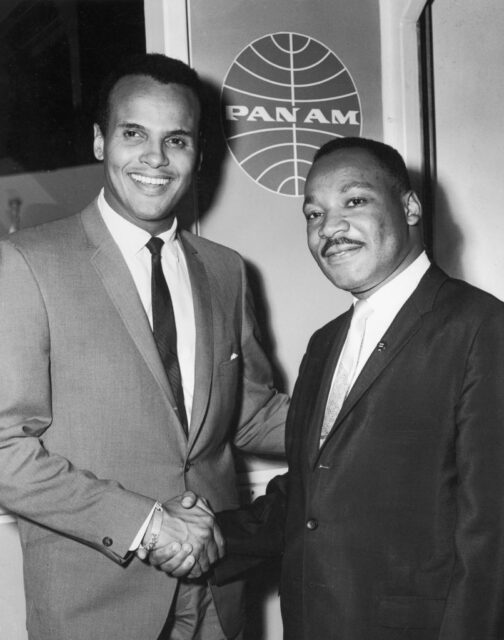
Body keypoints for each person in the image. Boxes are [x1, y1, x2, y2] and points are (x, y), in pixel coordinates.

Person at [0, 53, 287, 640]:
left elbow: (251, 413)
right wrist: (147, 524)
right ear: (102, 141)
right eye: (135, 134)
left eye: (176, 139)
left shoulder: (227, 271)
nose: (156, 159)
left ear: (199, 154)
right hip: (95, 605)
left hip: (215, 590)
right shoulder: (27, 263)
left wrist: (375, 415)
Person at [170, 136, 504, 639]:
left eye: (355, 201)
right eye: (313, 214)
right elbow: (307, 498)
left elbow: (491, 534)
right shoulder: (324, 344)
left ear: (410, 207)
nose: (331, 227)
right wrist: (206, 535)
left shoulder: (481, 327)